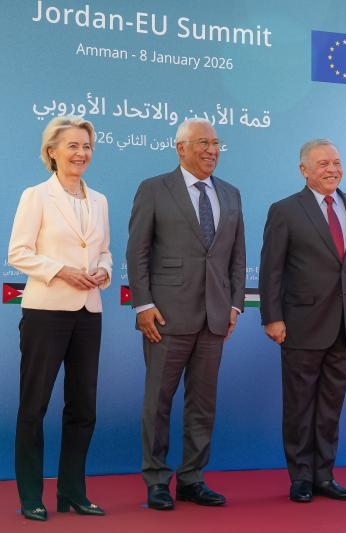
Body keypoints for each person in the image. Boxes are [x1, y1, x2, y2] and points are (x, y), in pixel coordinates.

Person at [126, 118, 246, 511]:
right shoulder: (154, 189)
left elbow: (237, 256)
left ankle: (193, 478)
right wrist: (143, 304)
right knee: (157, 402)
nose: (212, 150)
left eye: (216, 143)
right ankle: (157, 480)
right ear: (180, 148)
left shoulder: (231, 193)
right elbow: (137, 252)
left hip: (214, 318)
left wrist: (234, 304)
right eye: (203, 143)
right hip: (165, 318)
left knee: (203, 403)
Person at [8, 116, 112, 520]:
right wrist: (61, 270)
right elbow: (18, 252)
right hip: (46, 311)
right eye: (72, 146)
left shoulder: (100, 200)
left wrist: (103, 269)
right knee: (34, 407)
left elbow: (103, 250)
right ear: (51, 151)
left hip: (89, 311)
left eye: (86, 146)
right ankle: (31, 496)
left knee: (84, 407)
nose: (81, 153)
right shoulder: (36, 196)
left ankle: (73, 492)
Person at [259, 139, 346, 503]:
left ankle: (325, 474)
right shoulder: (285, 210)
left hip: (345, 326)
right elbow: (271, 270)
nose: (332, 169)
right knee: (300, 406)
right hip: (300, 324)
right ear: (304, 170)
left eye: (337, 162)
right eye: (323, 163)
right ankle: (301, 477)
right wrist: (272, 318)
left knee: (330, 406)